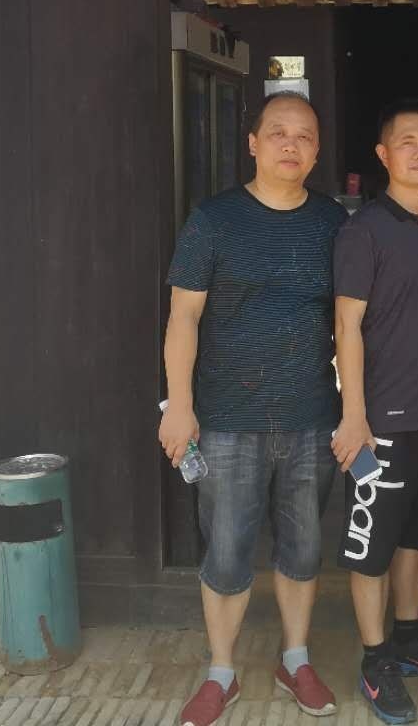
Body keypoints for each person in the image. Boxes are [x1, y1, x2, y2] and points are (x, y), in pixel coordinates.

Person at [159, 91, 348, 726]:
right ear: (253, 144)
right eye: (278, 133)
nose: (291, 145)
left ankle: (296, 658)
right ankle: (221, 671)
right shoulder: (213, 220)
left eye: (305, 136)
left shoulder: (332, 223)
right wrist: (179, 406)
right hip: (226, 421)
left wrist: (356, 409)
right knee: (227, 551)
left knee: (303, 548)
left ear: (316, 151)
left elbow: (349, 323)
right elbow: (183, 317)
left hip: (311, 417)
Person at [332, 99, 418, 725]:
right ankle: (375, 658)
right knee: (373, 545)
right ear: (383, 155)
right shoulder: (363, 230)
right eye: (407, 141)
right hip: (380, 417)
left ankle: (410, 638)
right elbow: (346, 326)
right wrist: (353, 415)